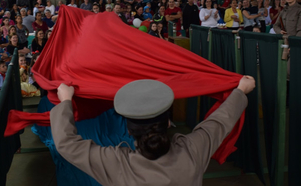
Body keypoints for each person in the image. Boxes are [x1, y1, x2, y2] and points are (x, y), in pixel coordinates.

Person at [50, 77, 255, 186]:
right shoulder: (192, 151)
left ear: (129, 131)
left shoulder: (116, 164)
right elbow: (219, 122)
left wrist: (66, 100)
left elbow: (66, 144)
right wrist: (239, 91)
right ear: (168, 122)